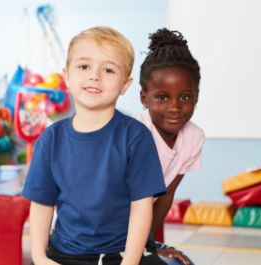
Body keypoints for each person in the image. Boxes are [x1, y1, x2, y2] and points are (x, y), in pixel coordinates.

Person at [22, 26, 167, 265]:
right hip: (66, 254)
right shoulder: (51, 139)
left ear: (125, 85)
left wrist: (129, 262)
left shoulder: (136, 137)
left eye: (108, 70)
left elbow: (141, 207)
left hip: (123, 253)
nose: (94, 76)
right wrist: (39, 257)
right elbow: (41, 203)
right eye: (84, 66)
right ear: (67, 75)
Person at [136, 28, 205, 265]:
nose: (175, 107)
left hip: (136, 233)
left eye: (185, 97)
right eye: (163, 97)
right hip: (100, 229)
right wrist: (142, 249)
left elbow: (165, 195)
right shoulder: (133, 134)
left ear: (196, 97)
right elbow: (111, 200)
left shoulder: (194, 137)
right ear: (145, 99)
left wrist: (150, 245)